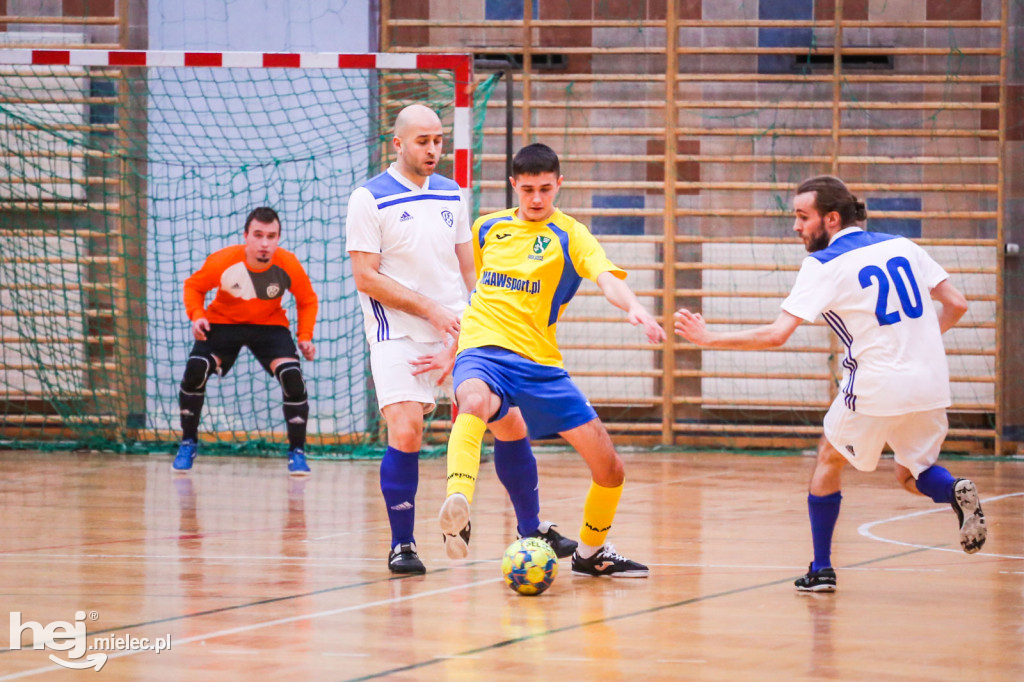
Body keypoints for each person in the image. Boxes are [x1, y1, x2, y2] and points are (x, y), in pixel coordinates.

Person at [674, 175, 987, 592]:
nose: (796, 227)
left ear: (832, 219)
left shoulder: (822, 264)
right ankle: (953, 491)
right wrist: (915, 345)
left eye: (803, 217)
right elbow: (957, 304)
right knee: (914, 473)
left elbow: (777, 334)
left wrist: (709, 338)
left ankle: (821, 569)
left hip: (876, 383)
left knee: (828, 458)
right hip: (930, 379)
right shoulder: (903, 246)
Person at [346, 106, 577, 576]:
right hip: (398, 334)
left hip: (459, 329)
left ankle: (531, 529)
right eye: (423, 141)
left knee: (509, 422)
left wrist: (472, 321)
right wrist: (430, 309)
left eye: (438, 140)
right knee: (407, 429)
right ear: (398, 144)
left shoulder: (452, 193)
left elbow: (470, 270)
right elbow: (365, 278)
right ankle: (402, 544)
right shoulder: (367, 198)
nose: (433, 150)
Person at [439, 142, 666, 578]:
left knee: (610, 468)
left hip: (539, 363)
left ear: (559, 184)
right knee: (473, 401)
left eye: (545, 188)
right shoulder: (487, 228)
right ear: (513, 186)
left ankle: (589, 554)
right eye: (527, 190)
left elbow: (605, 277)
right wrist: (452, 349)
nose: (537, 199)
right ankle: (459, 506)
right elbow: (473, 294)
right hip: (483, 348)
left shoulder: (570, 234)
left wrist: (633, 307)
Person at [174, 206, 318, 476]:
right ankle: (188, 442)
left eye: (271, 236)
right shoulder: (224, 260)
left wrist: (305, 336)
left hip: (269, 326)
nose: (264, 243)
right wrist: (197, 316)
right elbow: (194, 286)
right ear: (246, 236)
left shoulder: (287, 264)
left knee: (292, 377)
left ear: (278, 239)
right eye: (258, 235)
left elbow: (307, 300)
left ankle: (297, 452)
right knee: (196, 368)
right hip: (223, 323)